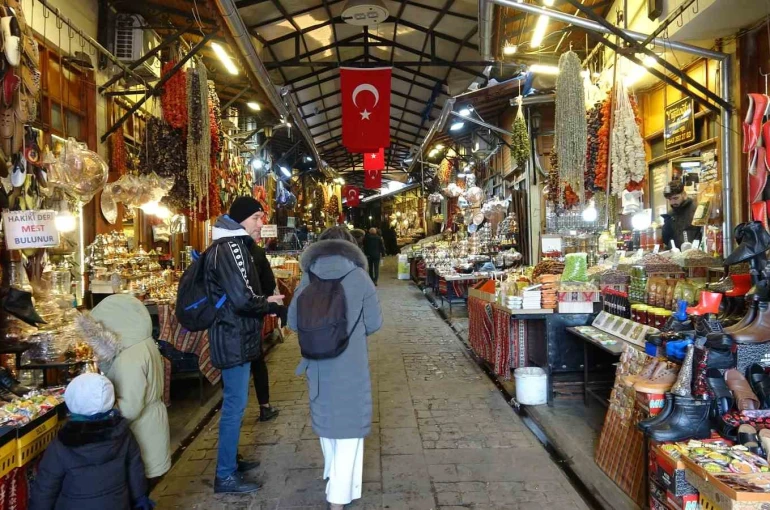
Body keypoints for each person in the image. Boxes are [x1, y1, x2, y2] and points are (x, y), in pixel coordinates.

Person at [288, 226, 383, 510]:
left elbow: (293, 322)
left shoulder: (308, 276)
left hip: (316, 365)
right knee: (349, 431)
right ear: (351, 247)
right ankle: (338, 497)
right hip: (350, 364)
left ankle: (333, 474)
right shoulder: (360, 277)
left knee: (328, 423)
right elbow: (375, 323)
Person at [206, 196, 287, 494]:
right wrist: (267, 302)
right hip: (233, 336)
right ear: (240, 220)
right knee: (234, 406)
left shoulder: (232, 246)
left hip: (235, 336)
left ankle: (230, 461)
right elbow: (242, 298)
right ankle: (225, 475)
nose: (261, 224)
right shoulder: (230, 248)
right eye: (256, 218)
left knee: (235, 404)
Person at [76, 294, 171, 480]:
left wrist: (103, 416)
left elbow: (130, 407)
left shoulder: (130, 358)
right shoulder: (143, 343)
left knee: (140, 490)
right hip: (153, 427)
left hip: (143, 436)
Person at [30, 373, 151, 510]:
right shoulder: (123, 434)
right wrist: (140, 498)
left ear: (71, 401)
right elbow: (135, 470)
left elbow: (45, 488)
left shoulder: (62, 444)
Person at [247, 224, 280, 422]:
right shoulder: (257, 253)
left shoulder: (219, 251)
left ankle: (233, 412)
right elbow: (269, 284)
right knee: (257, 360)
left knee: (234, 368)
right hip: (253, 314)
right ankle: (264, 406)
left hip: (228, 320)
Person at [662, 180, 702, 249]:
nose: (672, 202)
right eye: (669, 199)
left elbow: (702, 234)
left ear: (684, 194)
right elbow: (666, 240)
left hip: (696, 254)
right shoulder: (670, 214)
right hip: (676, 256)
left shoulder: (697, 209)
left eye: (675, 198)